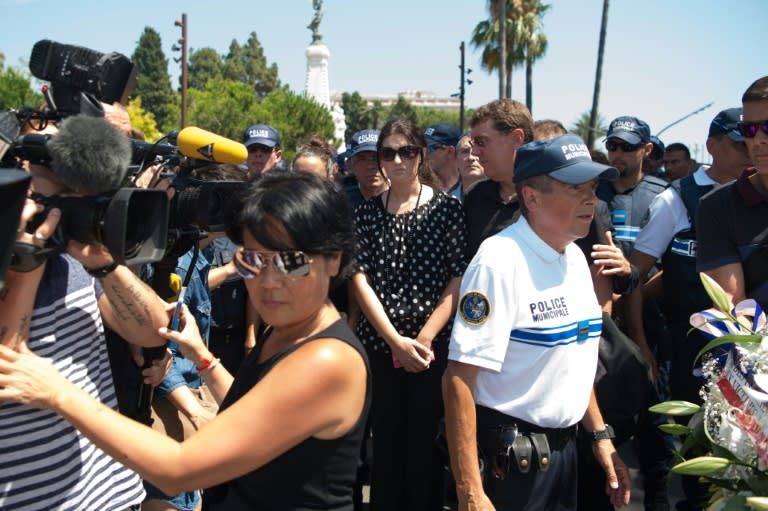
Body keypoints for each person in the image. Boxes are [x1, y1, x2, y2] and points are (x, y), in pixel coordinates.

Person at [0, 170, 371, 511]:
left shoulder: (327, 359)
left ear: (334, 260)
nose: (269, 282)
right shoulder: (291, 328)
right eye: (253, 260)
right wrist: (202, 358)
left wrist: (57, 393)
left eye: (291, 262)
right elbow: (253, 411)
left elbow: (179, 469)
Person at [442, 134, 631, 511]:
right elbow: (458, 380)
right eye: (575, 188)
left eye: (592, 187)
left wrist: (600, 436)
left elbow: (574, 362)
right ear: (531, 196)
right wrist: (471, 492)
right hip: (511, 463)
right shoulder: (499, 262)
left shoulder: (575, 258)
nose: (590, 198)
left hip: (565, 457)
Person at [0, 115, 170, 510]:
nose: (68, 209)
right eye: (58, 194)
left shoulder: (77, 260)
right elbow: (8, 370)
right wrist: (27, 264)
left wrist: (105, 264)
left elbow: (152, 332)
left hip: (112, 492)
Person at [627, 108, 750, 511]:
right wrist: (642, 344)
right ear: (712, 146)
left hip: (753, 358)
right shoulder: (678, 199)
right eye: (737, 142)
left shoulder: (757, 197)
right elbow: (636, 279)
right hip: (693, 352)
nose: (749, 148)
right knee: (700, 462)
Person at [351, 118, 467, 510]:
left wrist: (423, 339)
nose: (397, 160)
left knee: (426, 453)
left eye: (407, 151)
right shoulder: (365, 213)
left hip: (429, 351)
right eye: (388, 153)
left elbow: (458, 278)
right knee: (384, 449)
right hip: (381, 350)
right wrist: (393, 340)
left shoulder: (447, 210)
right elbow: (359, 279)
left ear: (420, 154)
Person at [697, 76, 768, 311]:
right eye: (749, 129)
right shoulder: (717, 207)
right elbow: (732, 304)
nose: (758, 140)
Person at [463, 99, 534, 259]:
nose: (474, 152)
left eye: (481, 142)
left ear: (516, 138)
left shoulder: (557, 194)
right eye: (473, 143)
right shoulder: (476, 196)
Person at [342, 129, 388, 210]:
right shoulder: (340, 204)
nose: (370, 166)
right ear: (349, 165)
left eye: (376, 158)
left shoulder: (404, 200)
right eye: (362, 159)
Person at [424, 123, 463, 199]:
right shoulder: (419, 186)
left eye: (429, 148)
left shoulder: (469, 188)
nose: (424, 153)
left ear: (449, 151)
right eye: (422, 147)